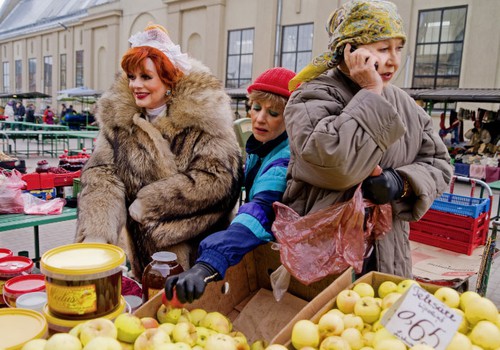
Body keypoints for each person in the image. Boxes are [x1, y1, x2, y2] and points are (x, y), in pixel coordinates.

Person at [283, 0, 453, 278]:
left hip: (388, 253)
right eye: (383, 48)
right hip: (324, 256)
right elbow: (334, 164)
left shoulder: (405, 105)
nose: (393, 60)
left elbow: (439, 163)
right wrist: (371, 93)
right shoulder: (311, 96)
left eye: (398, 48)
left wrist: (402, 183)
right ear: (349, 50)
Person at [75, 24, 242, 279]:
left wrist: (152, 202)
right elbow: (102, 176)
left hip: (201, 259)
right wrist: (97, 233)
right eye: (131, 77)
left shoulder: (205, 120)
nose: (136, 85)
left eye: (146, 77)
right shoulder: (120, 124)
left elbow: (220, 180)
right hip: (147, 260)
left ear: (168, 79)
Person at [164, 67, 295, 303]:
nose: (260, 118)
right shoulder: (262, 147)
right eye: (256, 108)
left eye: (273, 112)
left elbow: (259, 212)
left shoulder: (282, 161)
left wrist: (208, 263)